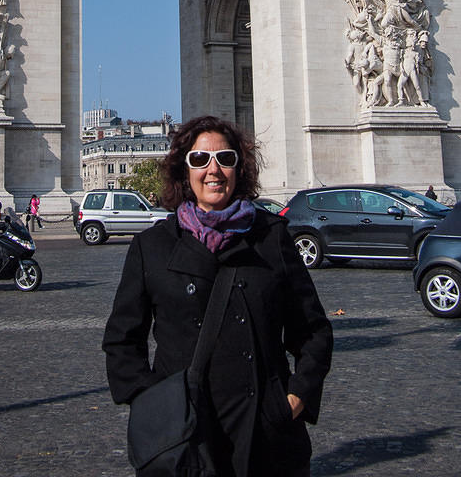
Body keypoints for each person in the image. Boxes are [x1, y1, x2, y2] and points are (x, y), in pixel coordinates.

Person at [103, 116, 333, 477]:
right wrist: (151, 403)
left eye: (225, 158)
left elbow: (314, 331)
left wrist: (294, 398)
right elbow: (121, 341)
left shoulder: (271, 238)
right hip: (184, 435)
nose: (214, 170)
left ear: (240, 168)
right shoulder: (152, 247)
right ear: (184, 171)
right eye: (199, 160)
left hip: (265, 431)